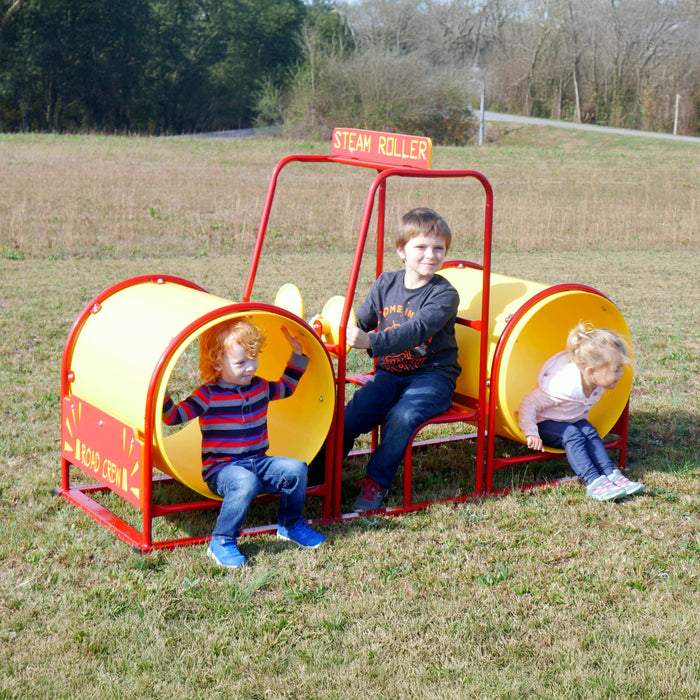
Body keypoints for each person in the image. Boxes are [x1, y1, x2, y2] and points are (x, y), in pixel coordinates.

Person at [163, 318, 325, 568]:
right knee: (245, 482)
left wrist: (297, 355)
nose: (250, 367)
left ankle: (290, 525)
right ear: (218, 363)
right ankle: (222, 540)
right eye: (241, 362)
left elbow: (287, 388)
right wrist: (163, 396)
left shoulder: (259, 386)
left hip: (258, 462)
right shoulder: (207, 395)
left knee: (297, 469)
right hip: (222, 470)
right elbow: (174, 417)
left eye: (253, 358)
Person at [340, 207, 462, 511]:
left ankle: (376, 482)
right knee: (349, 415)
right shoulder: (386, 284)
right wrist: (338, 327)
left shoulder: (444, 294)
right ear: (401, 251)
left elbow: (416, 331)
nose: (430, 255)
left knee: (403, 416)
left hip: (432, 377)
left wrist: (371, 341)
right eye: (420, 247)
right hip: (390, 374)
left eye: (438, 249)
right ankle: (320, 472)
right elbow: (361, 320)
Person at [517, 321, 643, 501]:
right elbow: (528, 403)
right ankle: (593, 481)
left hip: (570, 419)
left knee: (589, 431)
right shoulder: (562, 387)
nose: (621, 374)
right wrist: (531, 433)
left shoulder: (596, 381)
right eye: (616, 370)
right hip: (544, 423)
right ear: (591, 371)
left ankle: (611, 474)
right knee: (572, 435)